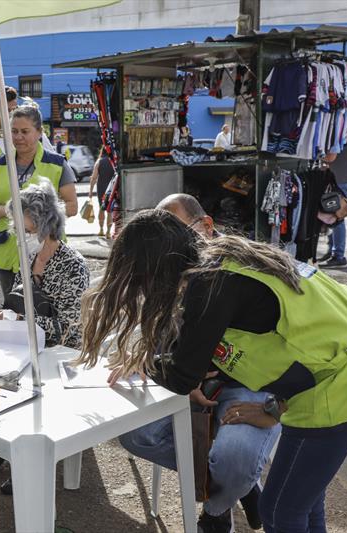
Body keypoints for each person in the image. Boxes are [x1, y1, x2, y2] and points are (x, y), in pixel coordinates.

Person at [79, 209, 347, 533]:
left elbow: (183, 378)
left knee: (279, 513)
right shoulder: (225, 260)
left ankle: (241, 488)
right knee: (302, 507)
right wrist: (272, 407)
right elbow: (281, 338)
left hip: (345, 390)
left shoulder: (208, 286)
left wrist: (147, 363)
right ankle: (240, 486)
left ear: (153, 268)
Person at [116, 194, 278, 532]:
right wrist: (173, 374)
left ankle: (218, 509)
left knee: (236, 455)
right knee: (135, 434)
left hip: (253, 386)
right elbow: (161, 342)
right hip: (190, 384)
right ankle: (234, 485)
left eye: (175, 230)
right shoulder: (169, 269)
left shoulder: (234, 267)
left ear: (205, 225)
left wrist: (172, 373)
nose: (167, 243)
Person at [0, 180, 90, 494]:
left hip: (59, 353)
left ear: (46, 225)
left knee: (25, 386)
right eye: (17, 228)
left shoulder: (72, 265)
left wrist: (20, 319)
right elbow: (16, 297)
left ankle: (25, 460)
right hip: (26, 343)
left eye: (25, 229)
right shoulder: (29, 258)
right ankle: (1, 449)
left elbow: (70, 329)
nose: (19, 235)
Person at [0, 104, 78, 299]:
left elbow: (72, 207)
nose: (18, 137)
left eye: (25, 131)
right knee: (12, 310)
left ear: (40, 132)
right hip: (8, 252)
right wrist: (10, 211)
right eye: (14, 131)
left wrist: (36, 217)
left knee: (47, 310)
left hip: (47, 251)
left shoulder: (57, 164)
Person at [0, 86, 55, 177]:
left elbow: (54, 168)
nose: (12, 115)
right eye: (7, 111)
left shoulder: (36, 136)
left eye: (15, 109)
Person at [319, 124, 347, 269]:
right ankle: (332, 251)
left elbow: (331, 157)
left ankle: (338, 256)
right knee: (333, 212)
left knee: (336, 217)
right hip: (346, 176)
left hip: (338, 178)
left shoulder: (339, 126)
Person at [88, 147, 115, 238]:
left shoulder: (99, 161)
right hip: (112, 188)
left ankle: (101, 230)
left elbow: (94, 178)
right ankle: (108, 232)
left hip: (101, 188)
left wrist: (90, 191)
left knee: (101, 209)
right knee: (109, 210)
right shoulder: (114, 161)